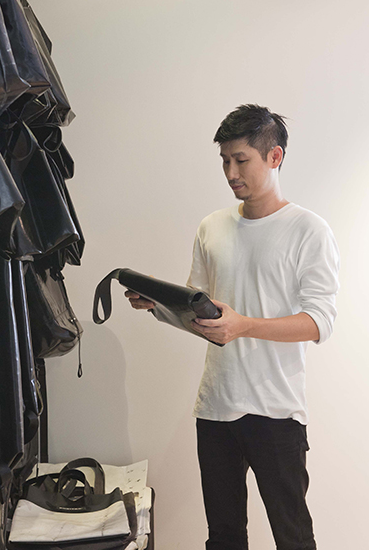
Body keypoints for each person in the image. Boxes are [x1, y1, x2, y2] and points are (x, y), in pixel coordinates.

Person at [126, 104, 340, 550]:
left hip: (276, 411)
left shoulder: (309, 230)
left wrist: (244, 326)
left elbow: (319, 322)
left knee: (294, 538)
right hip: (216, 408)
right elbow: (206, 317)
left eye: (241, 160)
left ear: (274, 157)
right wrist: (160, 307)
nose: (230, 172)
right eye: (224, 161)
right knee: (223, 538)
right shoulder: (212, 227)